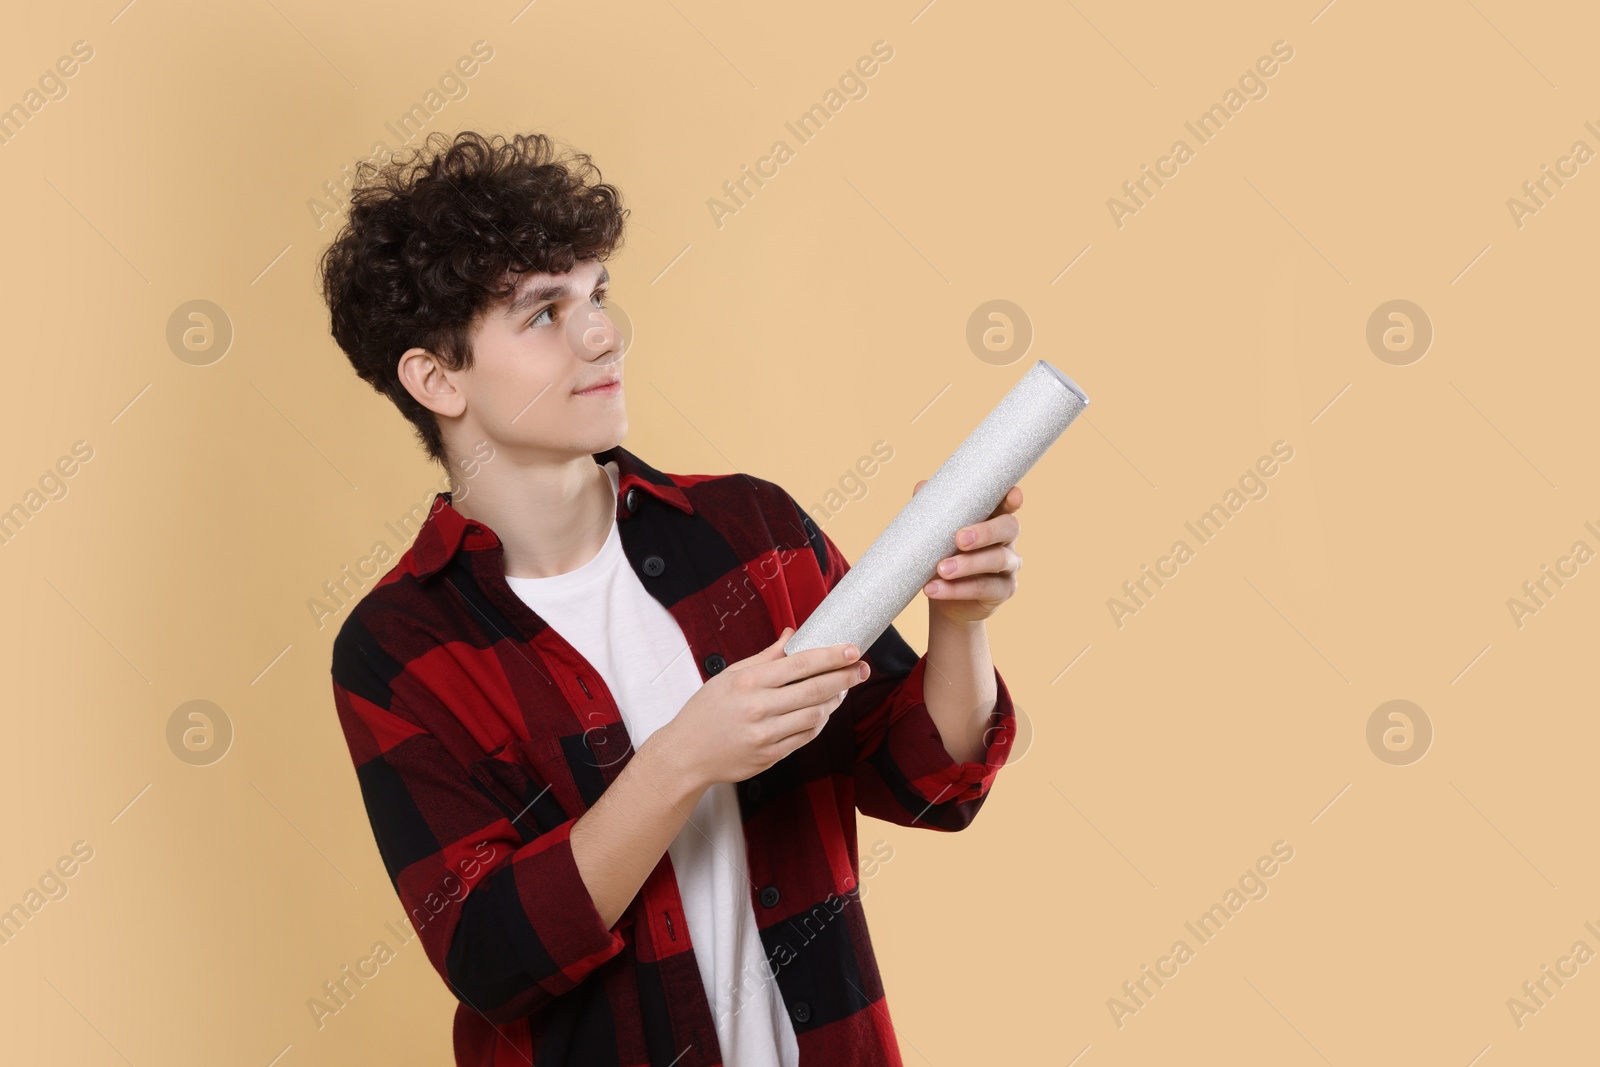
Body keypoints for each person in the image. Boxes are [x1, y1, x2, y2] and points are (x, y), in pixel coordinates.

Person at [319, 130, 1025, 1066]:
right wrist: (681, 759)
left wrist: (959, 622)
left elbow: (926, 780)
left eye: (598, 294)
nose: (604, 333)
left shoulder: (749, 529)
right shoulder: (399, 645)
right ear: (435, 377)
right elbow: (492, 957)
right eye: (543, 313)